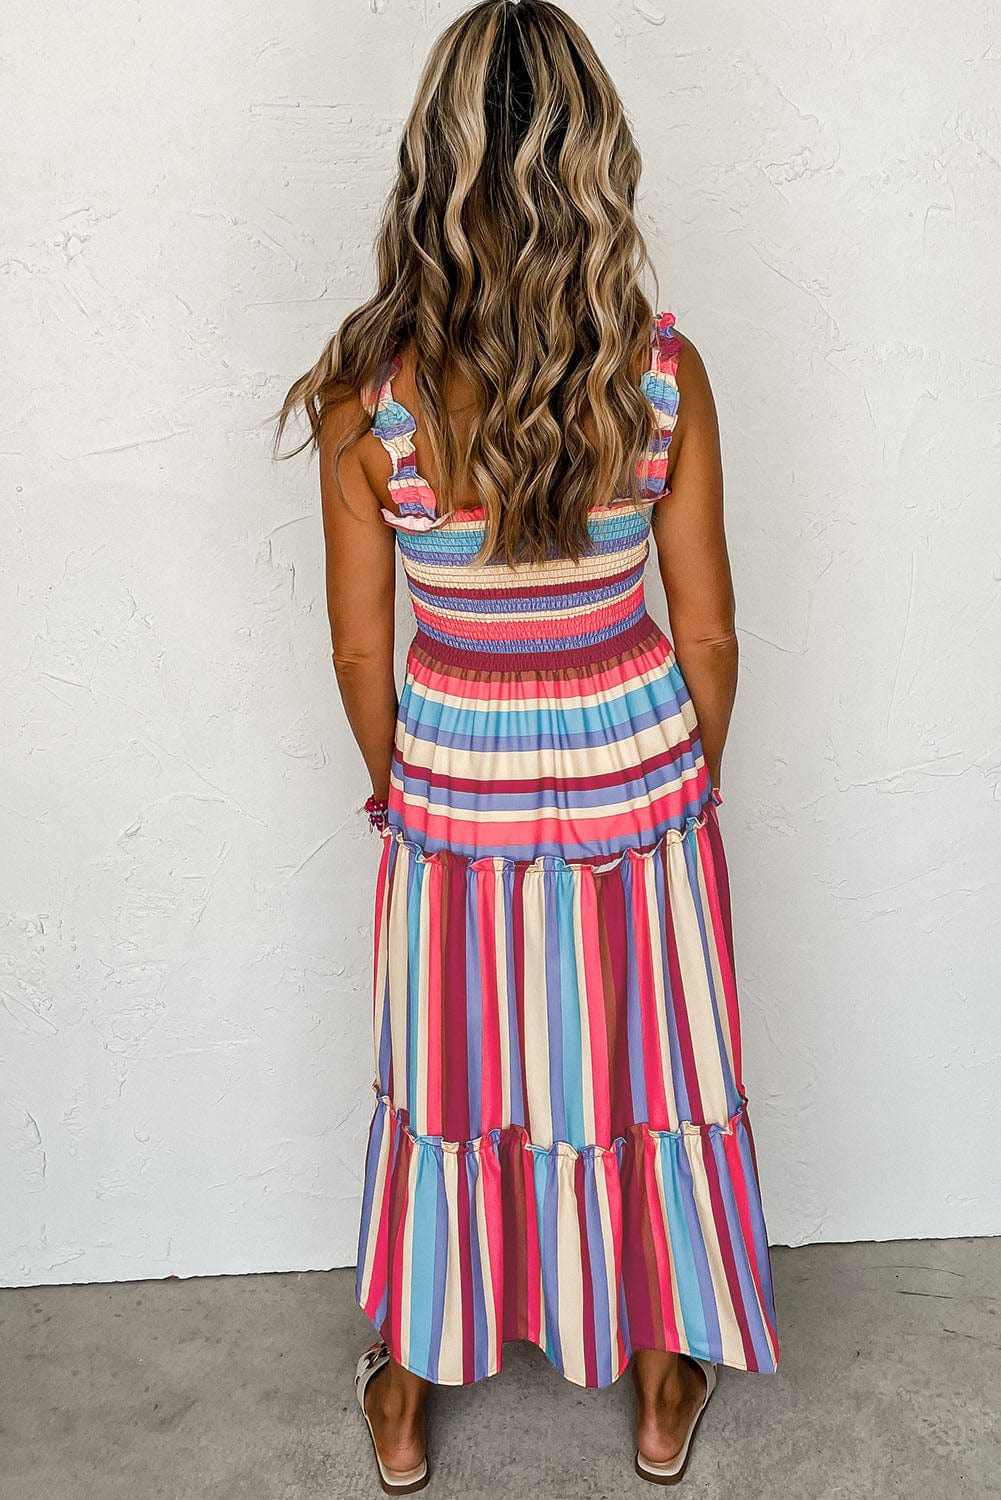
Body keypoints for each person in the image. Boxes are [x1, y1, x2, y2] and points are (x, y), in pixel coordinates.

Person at [273, 0, 779, 1488]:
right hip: (635, 749)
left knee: (453, 1067)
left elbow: (362, 645)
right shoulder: (660, 368)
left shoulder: (374, 395)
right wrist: (687, 776)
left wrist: (397, 777)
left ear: (430, 166)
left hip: (458, 759)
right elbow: (710, 631)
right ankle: (661, 1371)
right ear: (593, 164)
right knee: (644, 1063)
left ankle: (409, 1388)